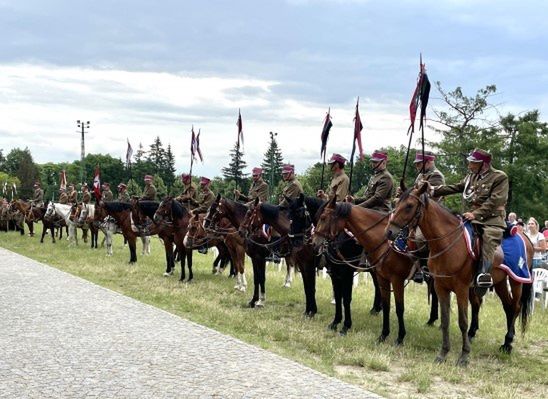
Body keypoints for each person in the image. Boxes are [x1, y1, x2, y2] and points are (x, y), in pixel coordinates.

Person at [431, 149, 508, 292]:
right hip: (472, 218)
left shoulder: (499, 177)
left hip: (491, 220)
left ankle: (483, 274)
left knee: (488, 239)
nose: (469, 165)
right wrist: (433, 190)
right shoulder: (471, 176)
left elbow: (496, 200)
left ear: (483, 164)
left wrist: (476, 214)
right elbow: (456, 187)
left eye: (472, 163)